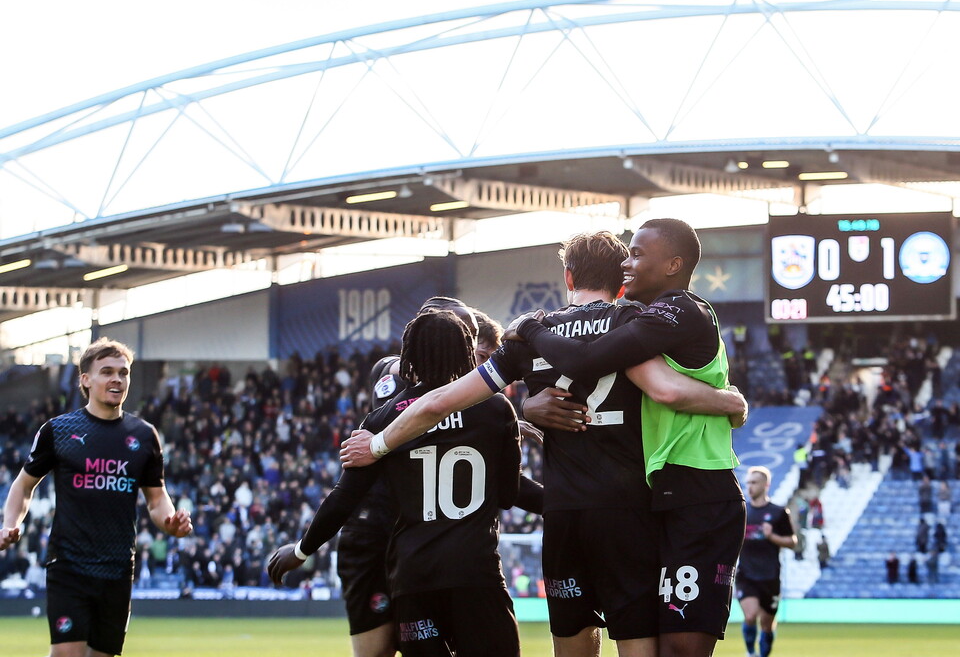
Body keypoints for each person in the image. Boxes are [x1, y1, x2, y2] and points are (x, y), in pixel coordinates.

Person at [341, 229, 747, 657]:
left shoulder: (524, 341)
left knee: (571, 642)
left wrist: (379, 444)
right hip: (628, 514)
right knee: (638, 644)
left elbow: (438, 402)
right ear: (621, 279)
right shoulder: (630, 327)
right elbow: (666, 389)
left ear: (568, 278)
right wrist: (732, 402)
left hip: (563, 514)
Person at [498, 218, 746, 657]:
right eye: (625, 257)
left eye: (637, 255)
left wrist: (731, 403)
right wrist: (528, 405)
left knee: (680, 648)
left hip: (699, 491)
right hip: (655, 498)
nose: (627, 265)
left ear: (673, 264)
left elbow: (650, 383)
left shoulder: (678, 311)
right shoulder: (639, 322)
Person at [268, 310, 530, 656]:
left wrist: (301, 550)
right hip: (475, 573)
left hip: (413, 579)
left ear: (410, 357)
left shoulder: (384, 418)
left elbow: (343, 499)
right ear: (467, 351)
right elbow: (509, 495)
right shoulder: (496, 408)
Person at [336, 296, 544, 657]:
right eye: (480, 360)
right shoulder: (395, 375)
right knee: (377, 651)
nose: (481, 376)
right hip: (379, 539)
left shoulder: (487, 410)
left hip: (425, 551)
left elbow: (501, 488)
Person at [0, 337, 192, 657]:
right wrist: (8, 525)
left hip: (117, 568)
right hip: (69, 565)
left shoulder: (144, 435)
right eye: (106, 372)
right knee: (67, 654)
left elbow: (157, 499)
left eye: (123, 372)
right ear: (86, 380)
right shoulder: (58, 431)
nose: (117, 379)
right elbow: (23, 486)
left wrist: (170, 523)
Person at [735, 466, 797, 657]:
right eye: (748, 483)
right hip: (746, 574)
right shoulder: (741, 512)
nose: (749, 487)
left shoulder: (778, 513)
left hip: (770, 576)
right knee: (750, 615)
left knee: (767, 625)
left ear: (766, 485)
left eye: (754, 483)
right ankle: (750, 653)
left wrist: (772, 537)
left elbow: (792, 542)